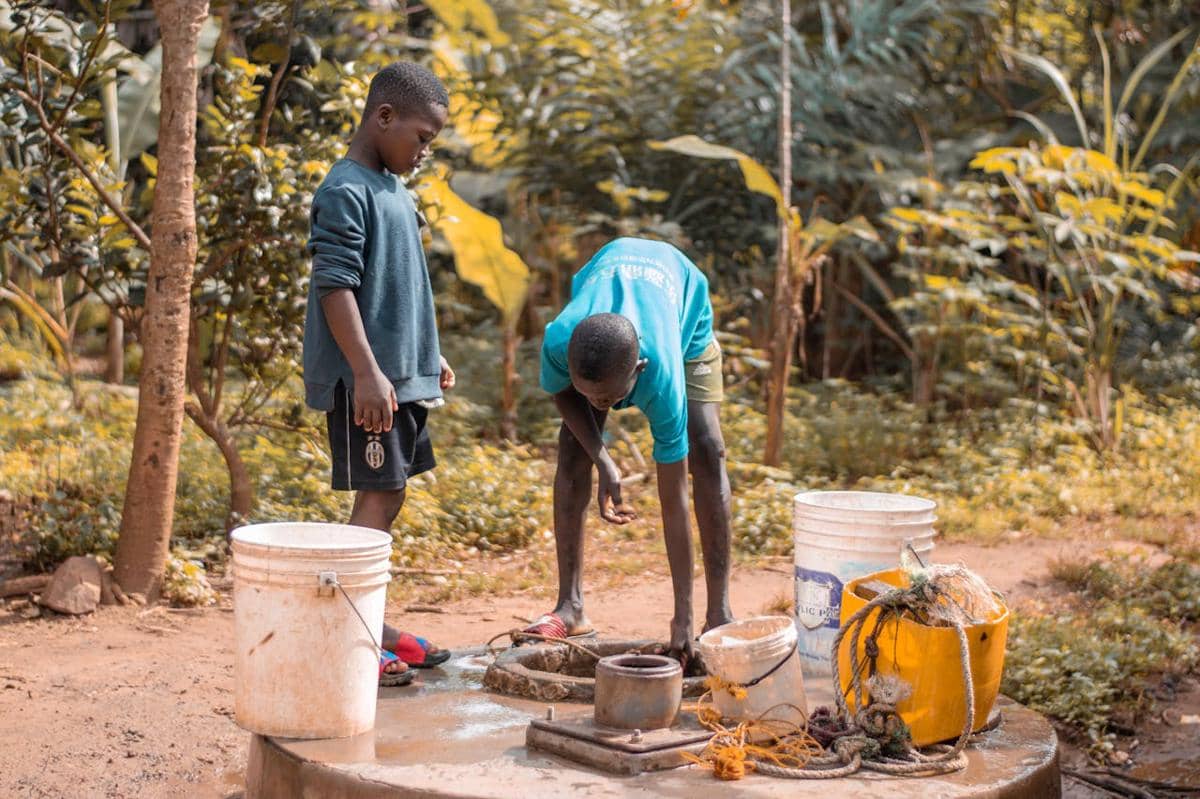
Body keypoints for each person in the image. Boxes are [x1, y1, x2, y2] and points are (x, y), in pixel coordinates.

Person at [303, 62, 454, 686]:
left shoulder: (396, 190)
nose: (423, 152)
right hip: (368, 384)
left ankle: (370, 621)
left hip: (401, 377)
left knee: (390, 492)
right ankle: (346, 633)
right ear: (383, 118)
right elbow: (335, 286)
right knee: (378, 494)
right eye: (421, 138)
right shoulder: (346, 189)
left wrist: (429, 356)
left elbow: (403, 287)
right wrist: (366, 374)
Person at [524, 237, 735, 662]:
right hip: (604, 308)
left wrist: (683, 618)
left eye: (608, 399)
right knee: (572, 450)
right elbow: (564, 395)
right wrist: (603, 459)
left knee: (708, 450)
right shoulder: (560, 339)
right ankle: (571, 607)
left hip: (684, 310)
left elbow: (673, 499)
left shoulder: (662, 374)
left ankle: (718, 614)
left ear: (638, 371)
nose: (604, 407)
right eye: (592, 396)